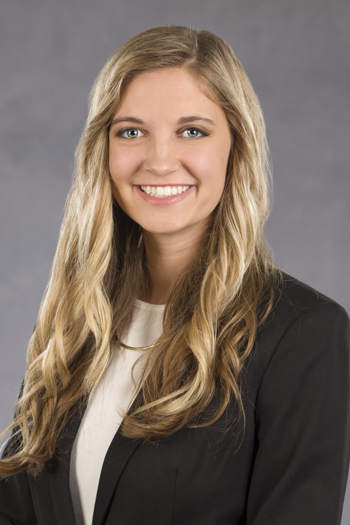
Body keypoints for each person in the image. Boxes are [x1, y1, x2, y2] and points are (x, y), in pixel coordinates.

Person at [0, 25, 349, 525]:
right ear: (104, 149)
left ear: (236, 147)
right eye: (131, 131)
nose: (160, 161)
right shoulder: (74, 321)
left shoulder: (304, 333)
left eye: (192, 131)